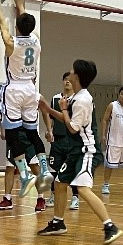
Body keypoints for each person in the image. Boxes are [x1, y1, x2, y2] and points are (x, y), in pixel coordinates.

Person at [38, 60, 123, 245]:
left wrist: (61, 109)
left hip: (87, 150)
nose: (69, 73)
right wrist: (48, 109)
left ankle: (110, 226)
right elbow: (67, 118)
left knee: (82, 188)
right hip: (75, 151)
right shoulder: (76, 97)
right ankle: (58, 223)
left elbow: (72, 128)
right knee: (60, 183)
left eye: (72, 71)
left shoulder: (82, 100)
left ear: (76, 76)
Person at [0, 0, 53, 198]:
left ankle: (24, 174)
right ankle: (44, 169)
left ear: (17, 27)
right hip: (31, 89)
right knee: (33, 134)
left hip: (14, 89)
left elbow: (3, 25)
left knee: (12, 136)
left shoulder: (11, 42)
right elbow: (24, 24)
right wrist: (21, 5)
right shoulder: (36, 41)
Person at [46, 72, 80, 210]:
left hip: (72, 140)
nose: (67, 82)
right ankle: (53, 195)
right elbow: (50, 118)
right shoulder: (56, 99)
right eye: (65, 79)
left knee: (73, 169)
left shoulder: (78, 99)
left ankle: (75, 197)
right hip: (58, 140)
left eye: (70, 80)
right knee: (53, 169)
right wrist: (49, 131)